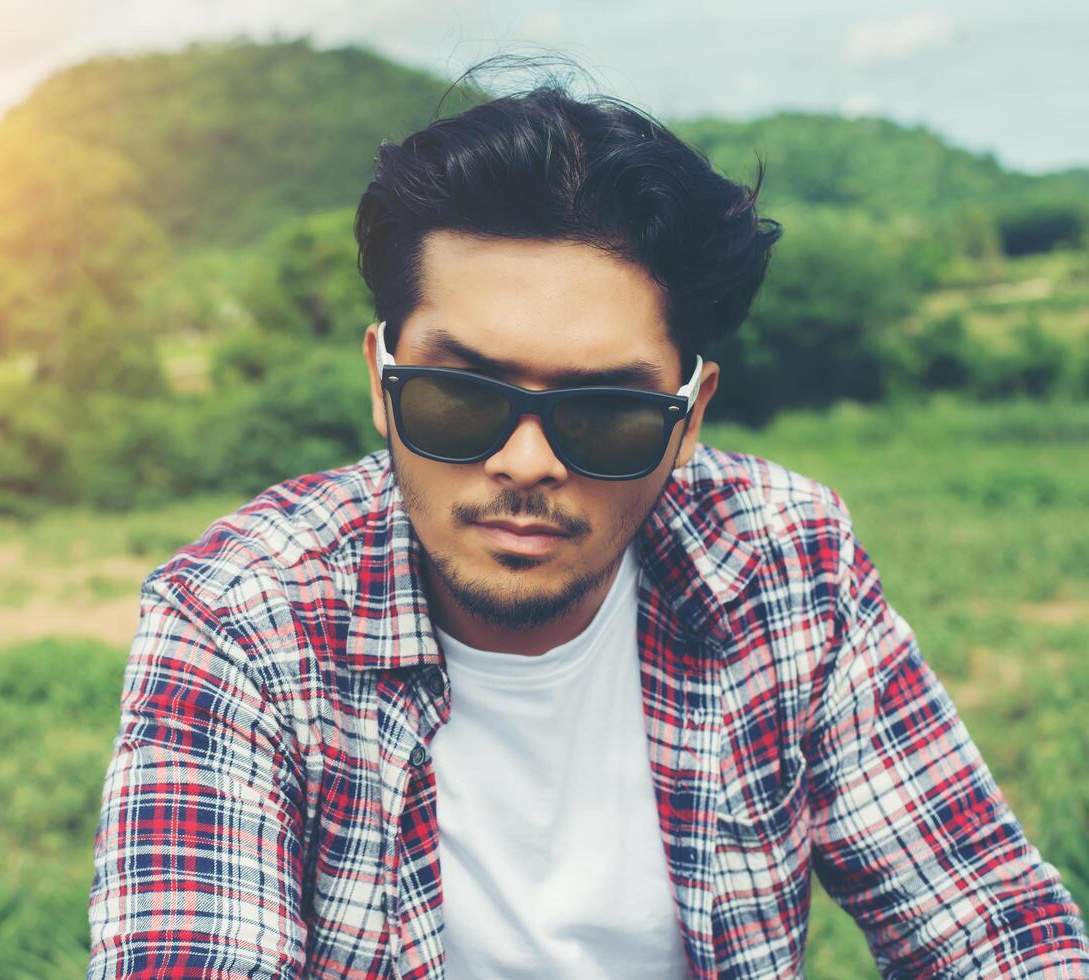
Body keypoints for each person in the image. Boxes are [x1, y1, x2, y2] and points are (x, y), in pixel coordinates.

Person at [86, 83, 1089, 979]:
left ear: (686, 420)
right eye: (457, 398)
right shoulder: (239, 620)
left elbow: (990, 927)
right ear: (381, 385)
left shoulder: (778, 563)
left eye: (602, 413)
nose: (525, 461)